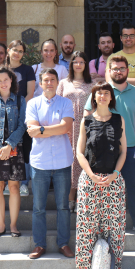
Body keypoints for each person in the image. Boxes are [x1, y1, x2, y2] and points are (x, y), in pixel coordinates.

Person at [84, 55, 135, 233]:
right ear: (108, 71)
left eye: (122, 68)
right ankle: (105, 225)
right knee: (105, 186)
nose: (118, 71)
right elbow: (87, 116)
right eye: (115, 68)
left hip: (131, 147)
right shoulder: (102, 91)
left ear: (127, 71)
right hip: (105, 149)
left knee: (134, 187)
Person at [75, 81, 127, 269]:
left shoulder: (118, 119)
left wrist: (115, 173)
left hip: (113, 180)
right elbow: (80, 152)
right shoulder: (86, 121)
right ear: (94, 97)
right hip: (90, 180)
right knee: (87, 225)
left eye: (106, 93)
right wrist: (90, 174)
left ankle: (116, 267)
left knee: (115, 225)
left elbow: (123, 152)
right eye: (99, 93)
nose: (103, 96)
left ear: (111, 97)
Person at [26, 68, 75, 259]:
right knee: (39, 207)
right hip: (40, 161)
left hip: (63, 160)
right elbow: (31, 130)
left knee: (63, 206)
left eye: (52, 80)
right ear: (40, 83)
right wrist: (54, 129)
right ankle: (39, 245)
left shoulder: (66, 102)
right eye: (45, 80)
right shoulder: (33, 104)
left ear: (57, 82)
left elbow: (66, 127)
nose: (49, 83)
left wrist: (42, 129)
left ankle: (63, 243)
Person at [0, 67, 27, 237]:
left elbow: (22, 124)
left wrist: (9, 145)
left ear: (11, 81)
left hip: (15, 146)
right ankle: (1, 226)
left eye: (5, 79)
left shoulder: (19, 100)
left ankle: (13, 225)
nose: (2, 83)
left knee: (14, 187)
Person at [57, 51, 94, 212]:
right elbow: (57, 104)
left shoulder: (91, 84)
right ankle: (70, 199)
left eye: (81, 62)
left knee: (83, 160)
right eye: (75, 62)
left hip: (86, 127)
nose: (78, 64)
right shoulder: (64, 83)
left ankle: (81, 199)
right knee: (70, 162)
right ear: (71, 65)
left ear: (85, 65)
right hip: (68, 127)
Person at [7, 40, 36, 196]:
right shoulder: (2, 69)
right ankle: (8, 181)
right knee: (9, 147)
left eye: (20, 51)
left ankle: (24, 183)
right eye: (15, 50)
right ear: (8, 50)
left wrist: (18, 109)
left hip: (23, 114)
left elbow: (30, 93)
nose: (17, 53)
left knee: (25, 149)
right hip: (4, 115)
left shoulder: (27, 70)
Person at [106, 25, 135, 102]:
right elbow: (109, 81)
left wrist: (118, 79)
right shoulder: (112, 57)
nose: (128, 38)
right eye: (125, 36)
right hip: (117, 103)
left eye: (131, 35)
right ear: (121, 38)